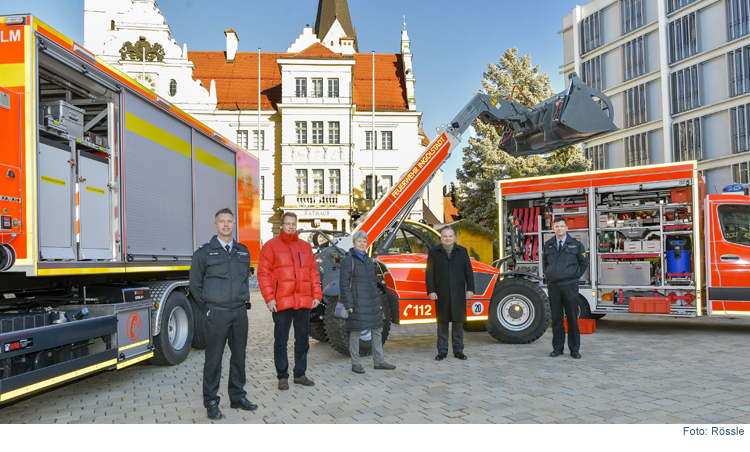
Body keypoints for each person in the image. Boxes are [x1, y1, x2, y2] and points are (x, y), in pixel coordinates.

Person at [189, 207, 257, 420]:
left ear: (234, 224)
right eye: (222, 221)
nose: (226, 224)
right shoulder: (204, 253)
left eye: (229, 221)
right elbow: (195, 284)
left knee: (239, 357)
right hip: (217, 313)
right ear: (216, 225)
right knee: (214, 359)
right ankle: (211, 401)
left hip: (239, 313)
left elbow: (244, 280)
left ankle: (237, 396)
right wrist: (208, 307)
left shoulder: (243, 251)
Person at [257, 212, 322, 390]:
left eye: (293, 223)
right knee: (281, 341)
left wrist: (317, 294)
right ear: (282, 226)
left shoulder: (305, 247)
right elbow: (263, 274)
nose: (291, 227)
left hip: (303, 301)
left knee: (302, 340)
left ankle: (300, 374)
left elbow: (313, 272)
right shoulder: (271, 246)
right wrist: (269, 298)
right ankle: (282, 376)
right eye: (288, 224)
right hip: (281, 301)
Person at [340, 230, 396, 374]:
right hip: (357, 302)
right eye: (359, 241)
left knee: (377, 330)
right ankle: (356, 364)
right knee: (356, 332)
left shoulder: (369, 260)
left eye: (364, 241)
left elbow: (373, 283)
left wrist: (378, 301)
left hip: (371, 301)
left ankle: (379, 361)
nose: (362, 243)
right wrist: (349, 304)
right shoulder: (349, 260)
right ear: (353, 243)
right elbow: (344, 284)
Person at [425, 226, 475, 361]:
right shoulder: (434, 252)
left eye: (450, 236)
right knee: (442, 323)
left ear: (454, 238)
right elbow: (429, 274)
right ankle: (442, 351)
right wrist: (431, 291)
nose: (447, 238)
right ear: (441, 238)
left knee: (458, 323)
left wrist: (470, 289)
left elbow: (469, 272)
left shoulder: (462, 252)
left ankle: (458, 350)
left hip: (458, 293)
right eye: (445, 236)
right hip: (441, 293)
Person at [543, 216, 589, 359]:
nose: (559, 228)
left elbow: (583, 262)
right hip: (554, 286)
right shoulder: (548, 244)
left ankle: (574, 349)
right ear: (553, 228)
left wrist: (574, 276)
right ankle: (558, 348)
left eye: (562, 226)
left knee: (572, 318)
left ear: (567, 228)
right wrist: (549, 273)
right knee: (556, 318)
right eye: (557, 226)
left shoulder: (576, 244)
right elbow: (545, 263)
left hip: (570, 286)